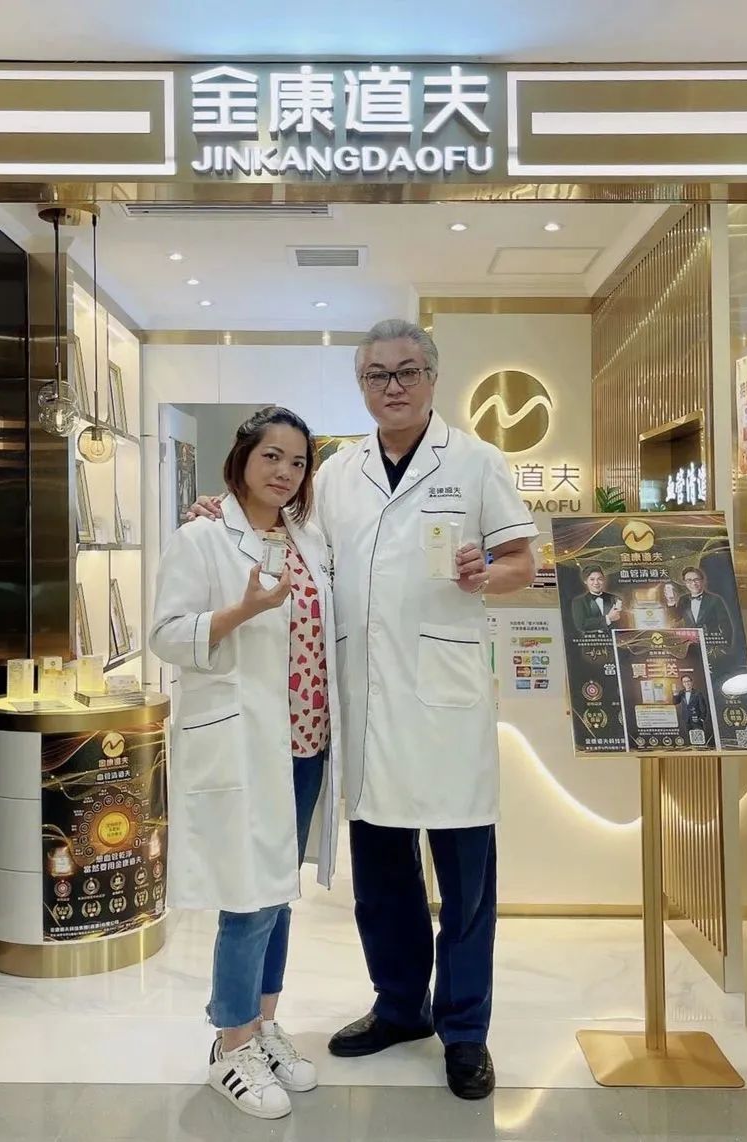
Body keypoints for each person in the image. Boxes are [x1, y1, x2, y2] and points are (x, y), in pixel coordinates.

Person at [189, 319, 536, 1099]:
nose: (393, 386)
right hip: (365, 707)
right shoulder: (338, 473)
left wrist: (490, 572)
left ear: (432, 378)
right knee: (381, 883)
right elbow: (280, 532)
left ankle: (466, 1031)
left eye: (407, 371)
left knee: (465, 887)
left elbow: (524, 560)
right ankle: (400, 1007)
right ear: (361, 386)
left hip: (446, 707)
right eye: (377, 374)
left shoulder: (475, 461)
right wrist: (221, 510)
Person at [149, 406, 341, 1121]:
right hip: (243, 739)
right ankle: (230, 1044)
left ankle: (262, 1024)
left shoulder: (307, 537)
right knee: (248, 896)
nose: (285, 472)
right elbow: (167, 635)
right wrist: (240, 611)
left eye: (297, 462)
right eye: (272, 457)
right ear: (243, 460)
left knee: (279, 891)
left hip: (306, 741)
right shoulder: (201, 537)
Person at [676, 566, 734, 647]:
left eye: (696, 579)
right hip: (689, 646)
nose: (693, 583)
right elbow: (676, 622)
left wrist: (723, 647)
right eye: (689, 580)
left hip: (710, 645)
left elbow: (726, 626)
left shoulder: (715, 600)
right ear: (685, 583)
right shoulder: (682, 600)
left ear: (703, 581)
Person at [570, 565, 624, 633]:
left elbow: (620, 622)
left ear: (603, 580)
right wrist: (608, 618)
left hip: (614, 637)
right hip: (591, 638)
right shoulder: (578, 601)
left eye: (599, 579)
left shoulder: (614, 598)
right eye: (592, 579)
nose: (596, 583)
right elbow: (581, 625)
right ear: (585, 581)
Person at [672, 674, 712, 745]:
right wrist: (675, 694)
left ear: (691, 682)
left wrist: (702, 718)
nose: (686, 683)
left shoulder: (698, 693)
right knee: (689, 737)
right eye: (684, 682)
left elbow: (703, 706)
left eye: (688, 681)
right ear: (682, 683)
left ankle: (700, 749)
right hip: (686, 719)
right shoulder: (681, 693)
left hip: (697, 719)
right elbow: (675, 702)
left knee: (699, 738)